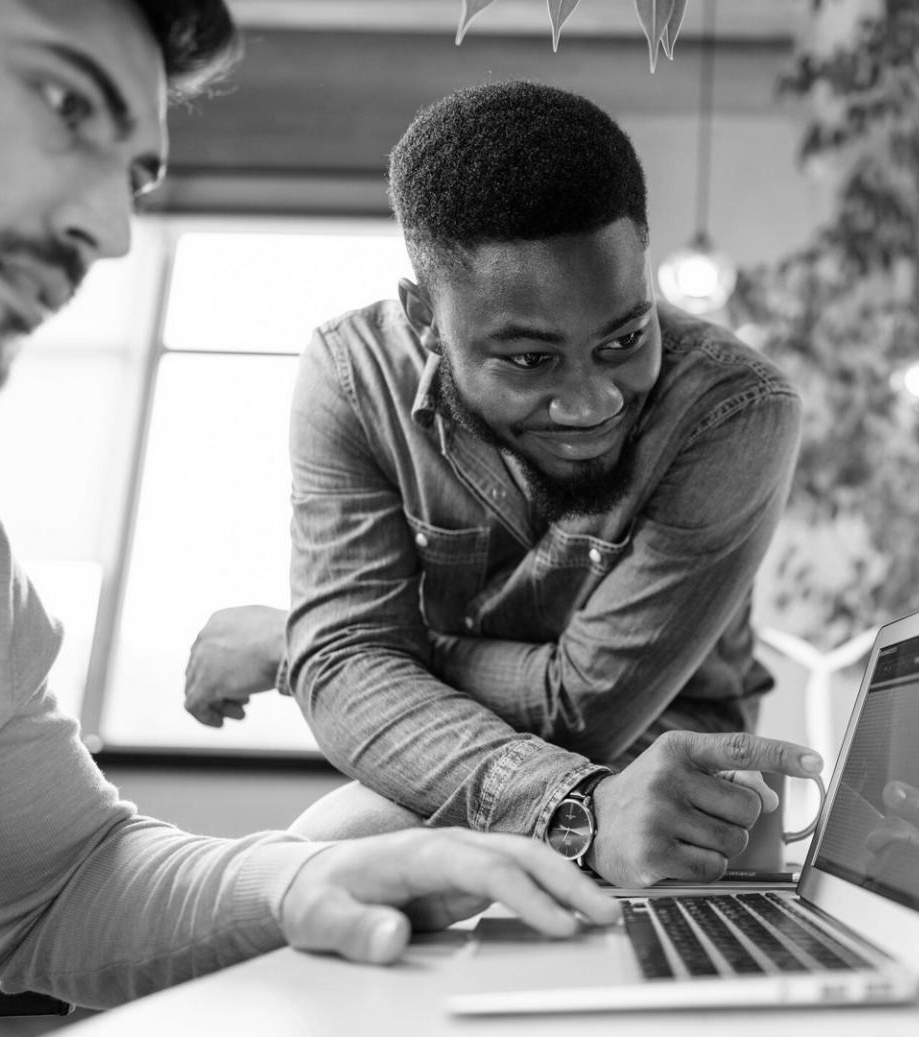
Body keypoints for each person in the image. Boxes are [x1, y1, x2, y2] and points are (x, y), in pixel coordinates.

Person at [0, 0, 621, 1011]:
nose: (108, 233)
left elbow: (62, 891)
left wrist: (302, 878)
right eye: (65, 101)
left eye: (134, 178)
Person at [186, 81, 822, 890]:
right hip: (474, 761)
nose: (593, 402)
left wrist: (303, 647)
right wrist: (339, 655)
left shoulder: (734, 411)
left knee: (344, 845)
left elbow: (584, 709)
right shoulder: (354, 379)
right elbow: (352, 659)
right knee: (328, 860)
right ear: (424, 319)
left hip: (682, 797)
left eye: (625, 336)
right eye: (529, 359)